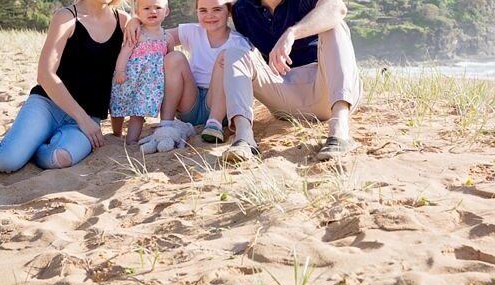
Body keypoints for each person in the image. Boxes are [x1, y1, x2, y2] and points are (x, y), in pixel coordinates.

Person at [0, 0, 130, 175]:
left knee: (61, 158)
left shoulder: (124, 21)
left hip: (87, 117)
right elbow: (45, 75)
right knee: (8, 160)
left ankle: (29, 146)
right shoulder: (66, 18)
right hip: (48, 105)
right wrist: (83, 119)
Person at [216, 0, 363, 163]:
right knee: (233, 53)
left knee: (335, 25)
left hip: (326, 90)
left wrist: (292, 33)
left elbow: (337, 8)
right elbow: (210, 14)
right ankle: (244, 138)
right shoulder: (243, 8)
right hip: (283, 96)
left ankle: (339, 132)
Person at [120, 0, 252, 144]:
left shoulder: (238, 42)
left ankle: (215, 124)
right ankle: (166, 124)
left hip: (219, 103)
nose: (210, 15)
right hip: (190, 102)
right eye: (203, 10)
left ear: (229, 11)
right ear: (196, 12)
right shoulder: (192, 31)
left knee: (226, 57)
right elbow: (155, 34)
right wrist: (136, 21)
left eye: (217, 10)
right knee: (174, 57)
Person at [111, 0, 175, 144]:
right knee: (118, 106)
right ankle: (116, 133)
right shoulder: (137, 32)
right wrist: (120, 71)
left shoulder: (168, 38)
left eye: (158, 8)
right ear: (138, 13)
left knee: (138, 113)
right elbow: (124, 52)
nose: (152, 11)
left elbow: (170, 61)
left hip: (149, 84)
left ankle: (131, 141)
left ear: (166, 11)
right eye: (146, 8)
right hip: (129, 78)